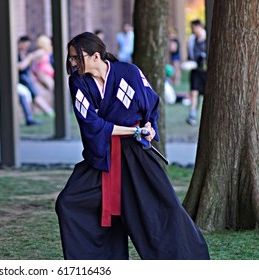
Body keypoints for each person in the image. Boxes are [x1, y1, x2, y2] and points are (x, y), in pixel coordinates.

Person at [55, 32, 210, 260]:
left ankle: (187, 262)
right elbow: (91, 124)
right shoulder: (78, 82)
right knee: (69, 202)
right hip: (103, 158)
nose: (73, 63)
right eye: (71, 59)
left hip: (137, 155)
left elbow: (151, 102)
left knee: (160, 210)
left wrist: (148, 126)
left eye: (77, 58)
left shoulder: (129, 72)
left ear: (95, 56)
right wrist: (132, 130)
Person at [18, 35, 54, 116]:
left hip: (47, 73)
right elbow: (28, 60)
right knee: (40, 94)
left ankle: (50, 110)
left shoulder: (46, 51)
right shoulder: (39, 52)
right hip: (41, 73)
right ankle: (49, 111)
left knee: (47, 92)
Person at [185, 19, 207, 126]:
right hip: (195, 70)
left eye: (194, 28)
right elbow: (190, 54)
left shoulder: (207, 38)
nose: (193, 30)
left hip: (205, 70)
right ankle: (192, 114)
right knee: (194, 92)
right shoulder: (192, 40)